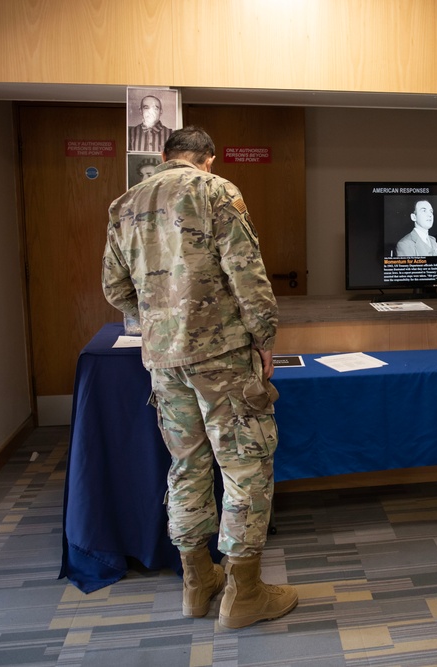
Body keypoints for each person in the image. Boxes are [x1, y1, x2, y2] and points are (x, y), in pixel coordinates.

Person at [102, 126, 297, 628]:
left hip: (164, 362)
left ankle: (196, 584)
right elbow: (246, 272)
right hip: (223, 358)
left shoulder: (125, 203)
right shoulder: (216, 190)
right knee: (245, 467)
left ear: (165, 157)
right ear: (207, 160)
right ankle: (244, 594)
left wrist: (159, 323)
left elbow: (115, 288)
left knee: (186, 467)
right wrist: (264, 337)